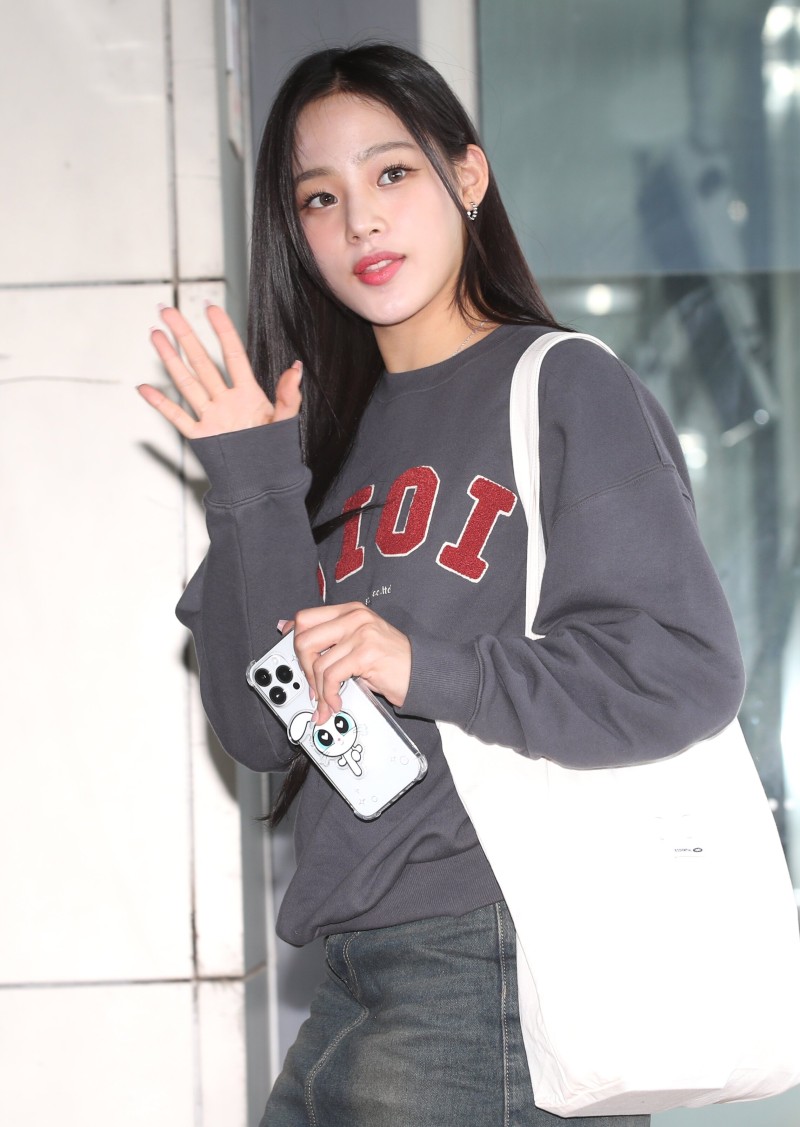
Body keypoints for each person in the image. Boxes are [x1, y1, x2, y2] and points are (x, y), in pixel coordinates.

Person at [137, 42, 745, 1127]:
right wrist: (253, 486)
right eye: (319, 198)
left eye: (391, 173)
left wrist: (423, 665)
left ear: (467, 176)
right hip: (356, 969)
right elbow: (261, 729)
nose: (360, 221)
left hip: (494, 957)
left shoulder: (561, 385)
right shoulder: (317, 444)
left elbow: (681, 668)